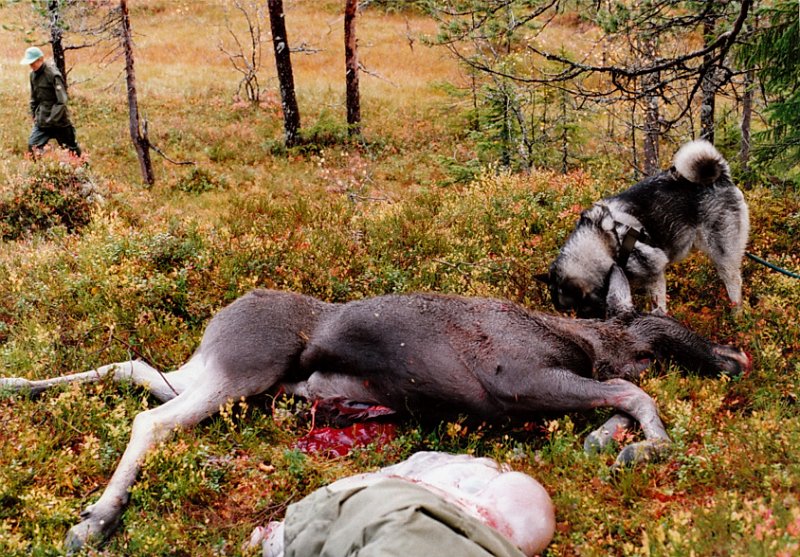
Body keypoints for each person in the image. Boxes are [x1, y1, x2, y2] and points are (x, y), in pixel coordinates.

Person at [20, 46, 81, 158]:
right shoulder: (32, 75)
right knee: (32, 146)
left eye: (33, 63)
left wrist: (52, 119)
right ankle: (41, 170)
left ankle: (82, 171)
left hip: (59, 121)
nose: (31, 66)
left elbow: (62, 100)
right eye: (30, 63)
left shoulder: (53, 74)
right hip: (42, 121)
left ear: (40, 59)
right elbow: (34, 98)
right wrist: (34, 114)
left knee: (71, 149)